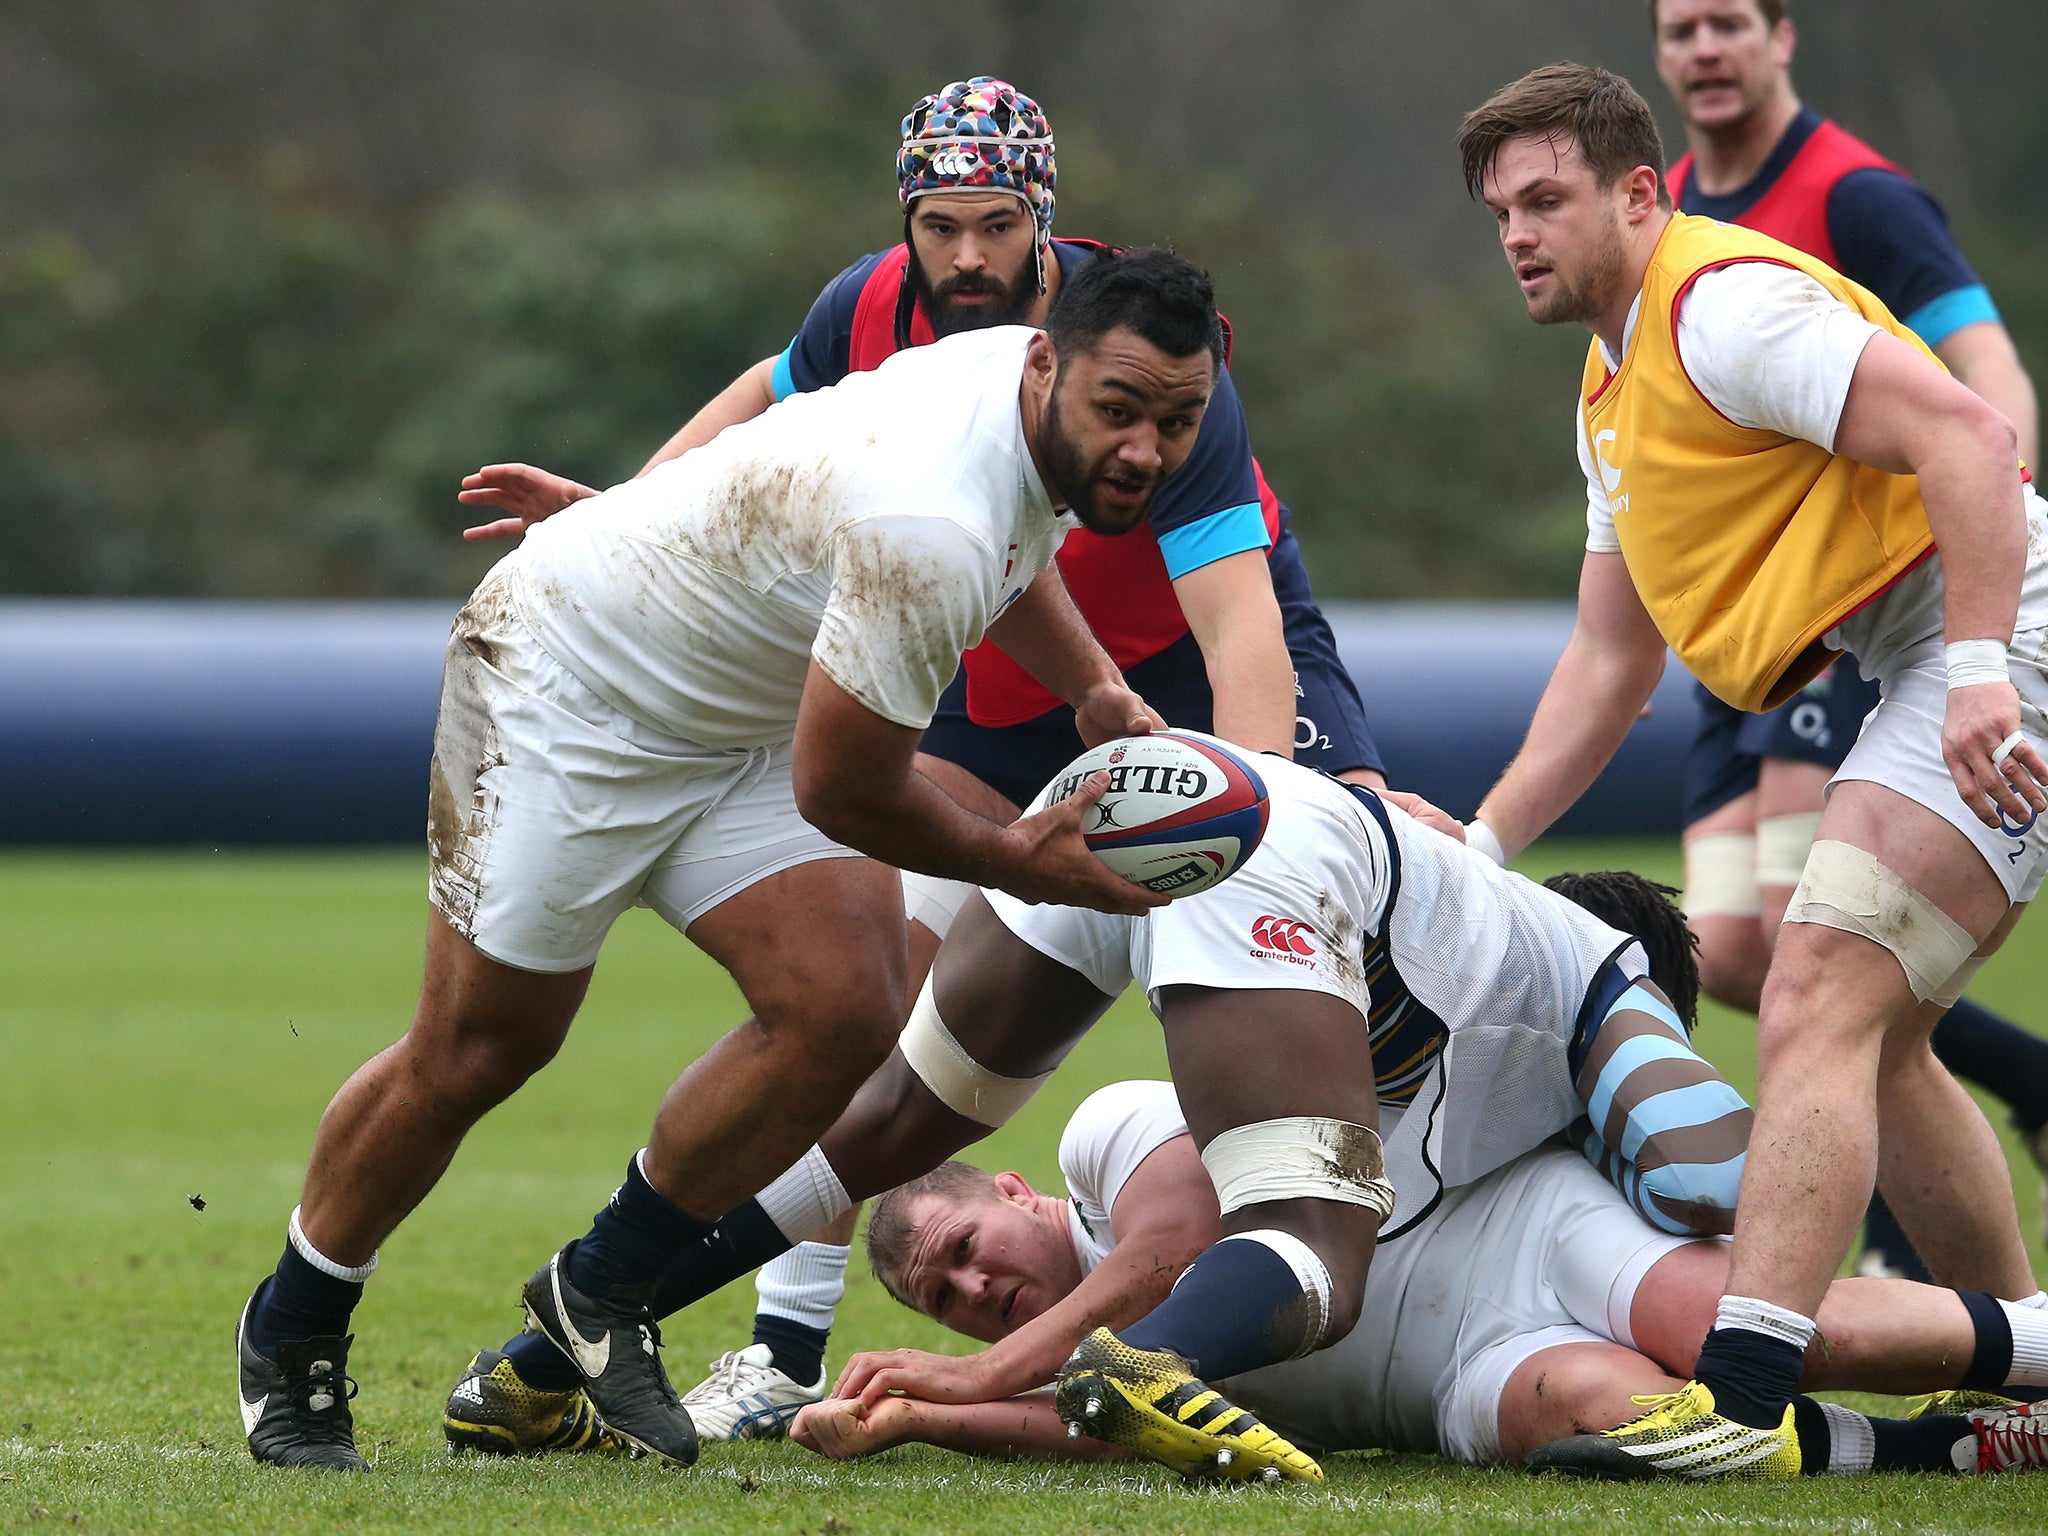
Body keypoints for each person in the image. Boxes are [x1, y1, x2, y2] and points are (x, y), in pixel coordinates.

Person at [453, 75, 1386, 1442]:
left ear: (1044, 225)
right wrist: (619, 525)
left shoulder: (1152, 367)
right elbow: (759, 415)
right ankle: (745, 1347)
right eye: (937, 224)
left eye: (995, 223)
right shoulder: (870, 307)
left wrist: (1255, 813)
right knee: (871, 1026)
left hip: (1156, 688)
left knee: (1347, 929)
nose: (964, 256)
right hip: (964, 687)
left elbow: (1242, 620)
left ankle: (1432, 1203)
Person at [234, 247, 1229, 1471]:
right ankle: (292, 1328)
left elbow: (1012, 552)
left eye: (1175, 422)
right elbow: (848, 790)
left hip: (730, 712)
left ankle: (595, 1290)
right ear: (1045, 364)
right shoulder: (934, 522)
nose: (1143, 449)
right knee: (482, 1047)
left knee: (846, 1006)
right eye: (1117, 414)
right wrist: (1025, 863)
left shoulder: (1010, 395)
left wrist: (1093, 689)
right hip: (566, 685)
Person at [456, 749, 1763, 1481]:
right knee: (1331, 1240)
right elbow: (1715, 1210)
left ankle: (546, 1344)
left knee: (874, 1136)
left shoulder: (1498, 1011)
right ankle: (1156, 1368)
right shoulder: (1602, 981)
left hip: (1132, 777)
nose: (972, 1286)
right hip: (1242, 827)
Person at [1452, 62, 2048, 1479]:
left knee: (1813, 983)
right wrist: (1475, 849)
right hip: (1921, 655)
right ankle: (2031, 1366)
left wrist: (1975, 671)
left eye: (1546, 199)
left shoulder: (1721, 307)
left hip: (2001, 626)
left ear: (1641, 194)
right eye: (1499, 213)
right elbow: (1610, 665)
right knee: (1879, 1032)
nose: (1518, 233)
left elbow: (1972, 431)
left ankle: (1737, 1398)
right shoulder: (1609, 385)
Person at [1647, 0, 2048, 1277]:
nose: (1701, 50)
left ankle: (1880, 1253)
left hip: (1876, 608)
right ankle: (2015, 1076)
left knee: (1818, 960)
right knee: (1731, 953)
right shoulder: (1651, 224)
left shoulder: (1855, 194)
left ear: (1781, 37)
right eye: (1676, 29)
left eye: (1726, 23)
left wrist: (1972, 575)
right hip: (1760, 632)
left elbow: (1991, 389)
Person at [790, 1079, 2048, 1477]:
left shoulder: (1101, 1142)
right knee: (1620, 1421)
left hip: (1510, 1232)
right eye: (941, 1303)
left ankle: (2031, 1346)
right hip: (1454, 1382)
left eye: (964, 1253)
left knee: (1743, 1336)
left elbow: (1167, 1255)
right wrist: (919, 1420)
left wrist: (985, 1370)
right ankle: (1952, 1456)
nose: (972, 1296)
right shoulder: (1068, 1374)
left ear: (1009, 1193)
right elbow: (1091, 1431)